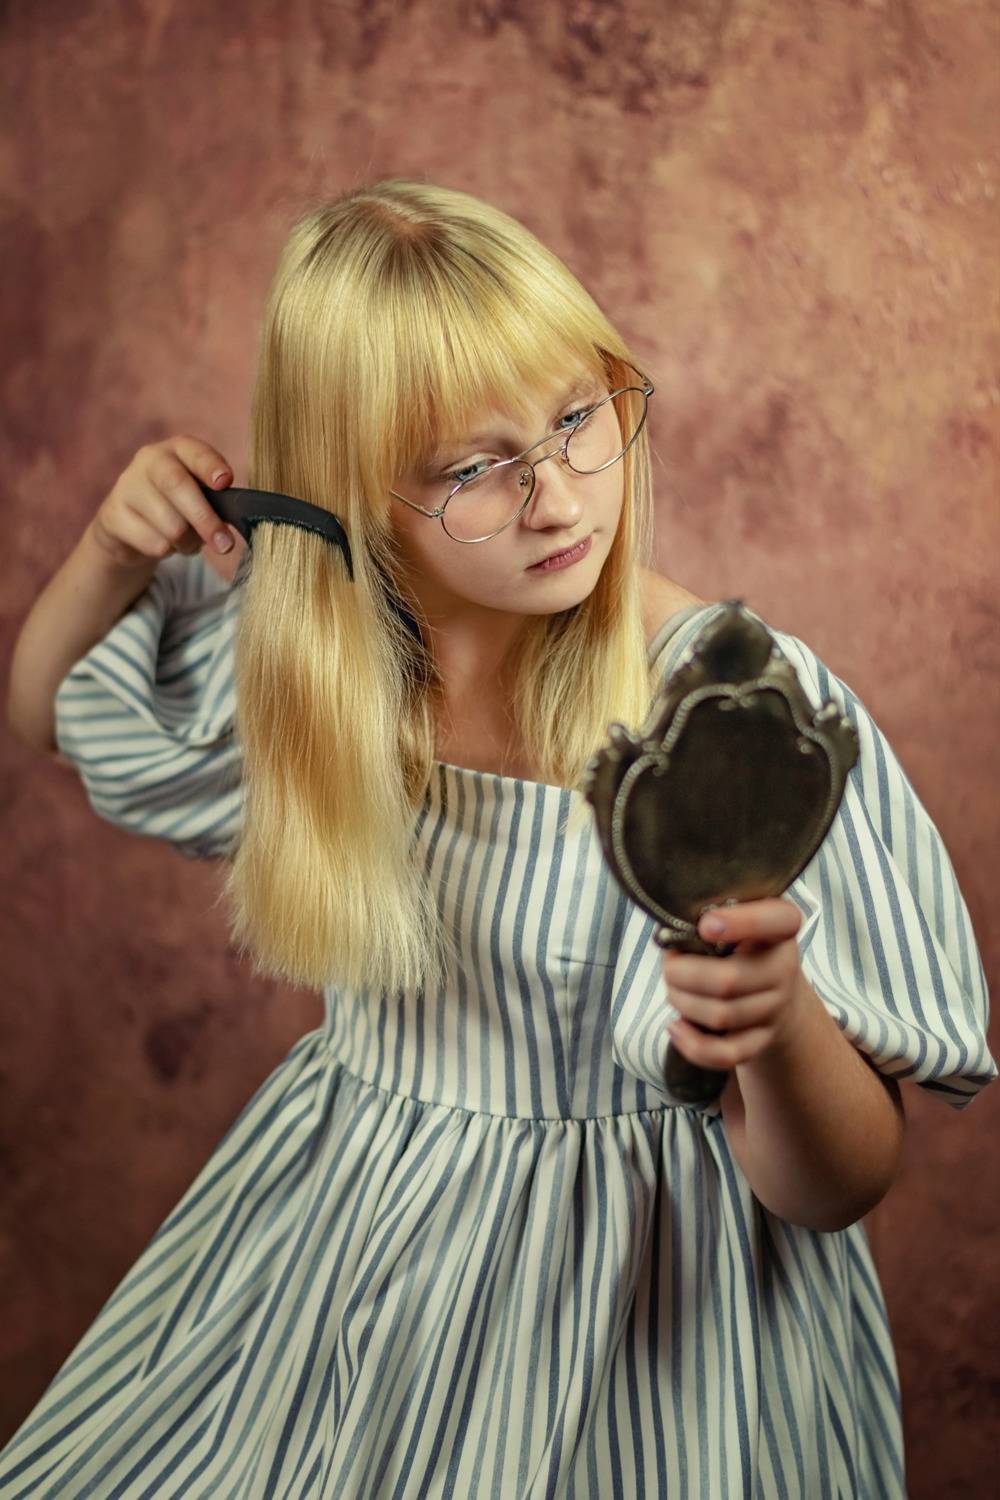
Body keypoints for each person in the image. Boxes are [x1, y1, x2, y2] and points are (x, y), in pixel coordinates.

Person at [2, 178, 994, 1499]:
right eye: (473, 469)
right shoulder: (320, 672)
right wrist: (109, 555)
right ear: (352, 494)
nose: (558, 499)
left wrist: (778, 1019)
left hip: (659, 1324)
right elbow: (54, 716)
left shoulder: (731, 719)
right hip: (352, 1271)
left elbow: (839, 1186)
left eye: (579, 419)